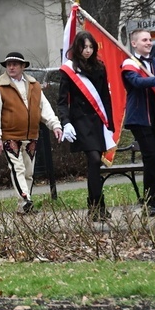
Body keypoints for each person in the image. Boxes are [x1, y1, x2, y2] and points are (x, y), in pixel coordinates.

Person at [0, 52, 62, 214]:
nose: (11, 67)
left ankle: (23, 206)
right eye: (9, 64)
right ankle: (25, 200)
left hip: (31, 136)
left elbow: (44, 108)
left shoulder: (34, 85)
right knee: (17, 169)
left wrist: (55, 125)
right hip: (9, 136)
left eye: (15, 64)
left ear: (23, 66)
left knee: (29, 172)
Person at [58, 33, 115, 221]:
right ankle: (98, 205)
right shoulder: (69, 70)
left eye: (91, 47)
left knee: (95, 163)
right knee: (93, 158)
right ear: (77, 48)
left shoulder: (99, 67)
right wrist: (65, 122)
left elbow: (105, 98)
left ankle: (94, 206)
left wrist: (110, 123)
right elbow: (62, 101)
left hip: (98, 121)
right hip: (80, 121)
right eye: (84, 47)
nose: (88, 50)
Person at [121, 29, 155, 217]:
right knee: (150, 156)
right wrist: (154, 81)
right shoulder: (129, 64)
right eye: (144, 40)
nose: (149, 42)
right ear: (134, 43)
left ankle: (152, 202)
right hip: (139, 119)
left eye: (150, 39)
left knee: (154, 160)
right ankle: (149, 203)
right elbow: (136, 82)